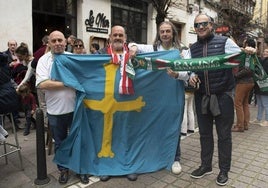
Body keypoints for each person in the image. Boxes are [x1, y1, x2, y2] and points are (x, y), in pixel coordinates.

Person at [188, 13, 255, 186]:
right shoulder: (192, 49)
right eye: (197, 25)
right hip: (202, 96)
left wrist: (247, 51)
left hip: (223, 96)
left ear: (211, 25)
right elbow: (187, 69)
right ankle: (206, 166)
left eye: (204, 24)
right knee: (204, 134)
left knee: (224, 136)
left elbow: (240, 58)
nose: (201, 27)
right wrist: (191, 76)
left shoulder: (225, 42)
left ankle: (224, 170)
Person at [128, 21, 190, 175]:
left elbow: (188, 73)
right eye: (162, 31)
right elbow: (134, 45)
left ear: (173, 32)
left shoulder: (182, 50)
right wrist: (133, 47)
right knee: (156, 124)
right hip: (157, 96)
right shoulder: (153, 48)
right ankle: (157, 154)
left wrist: (177, 74)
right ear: (159, 33)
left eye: (168, 31)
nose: (165, 34)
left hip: (174, 94)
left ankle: (175, 158)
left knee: (174, 124)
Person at [36, 30, 88, 185]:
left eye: (60, 40)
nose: (58, 43)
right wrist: (68, 82)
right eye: (54, 41)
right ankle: (63, 170)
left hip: (75, 108)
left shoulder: (72, 58)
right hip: (55, 111)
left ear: (66, 42)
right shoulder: (44, 61)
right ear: (49, 43)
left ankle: (80, 169)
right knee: (60, 142)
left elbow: (83, 77)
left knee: (79, 140)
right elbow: (42, 84)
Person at [96, 25, 139, 182]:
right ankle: (106, 167)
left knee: (127, 134)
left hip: (127, 103)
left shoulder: (134, 54)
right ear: (110, 37)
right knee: (107, 135)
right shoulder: (100, 54)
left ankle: (128, 166)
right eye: (115, 35)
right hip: (108, 104)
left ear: (125, 38)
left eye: (121, 35)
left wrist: (134, 48)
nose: (118, 37)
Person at [232, 37, 255, 132]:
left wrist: (236, 76)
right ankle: (245, 124)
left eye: (245, 42)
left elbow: (247, 69)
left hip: (243, 82)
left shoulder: (247, 54)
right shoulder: (252, 54)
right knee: (245, 103)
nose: (243, 42)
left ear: (247, 44)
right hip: (250, 82)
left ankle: (240, 126)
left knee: (238, 103)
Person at [251, 47, 268, 127]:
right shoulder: (261, 60)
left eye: (267, 52)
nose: (265, 53)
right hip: (258, 85)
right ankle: (258, 118)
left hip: (265, 86)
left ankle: (267, 120)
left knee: (265, 103)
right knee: (260, 103)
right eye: (264, 51)